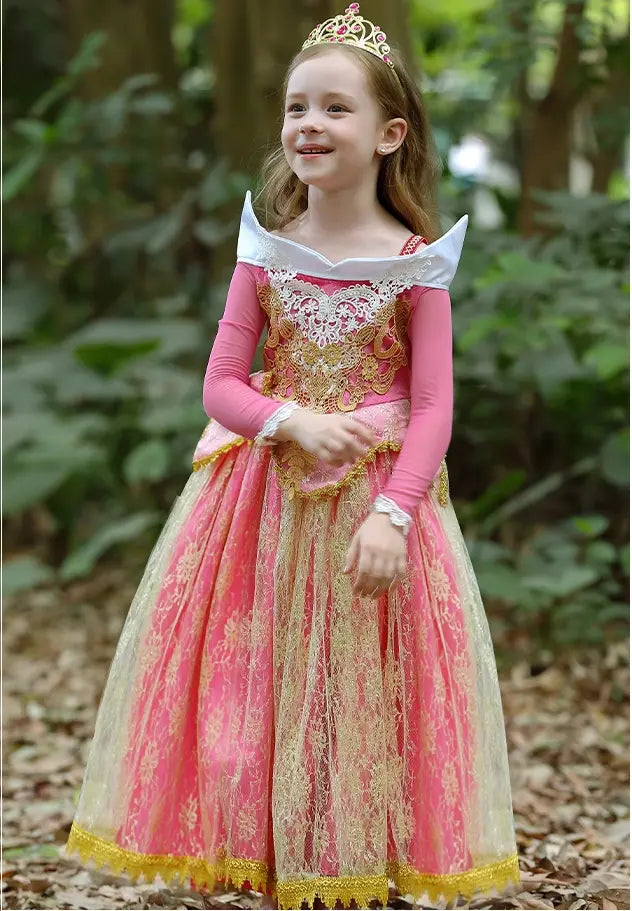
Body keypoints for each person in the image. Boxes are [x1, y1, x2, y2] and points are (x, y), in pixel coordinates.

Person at [63, 4, 520, 909]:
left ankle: (353, 864)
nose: (308, 125)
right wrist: (289, 421)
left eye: (334, 109)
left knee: (360, 692)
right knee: (250, 684)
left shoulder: (416, 264)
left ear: (390, 133)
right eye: (295, 107)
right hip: (259, 508)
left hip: (375, 507)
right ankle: (270, 859)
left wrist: (397, 509)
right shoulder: (264, 251)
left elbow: (433, 405)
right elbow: (223, 384)